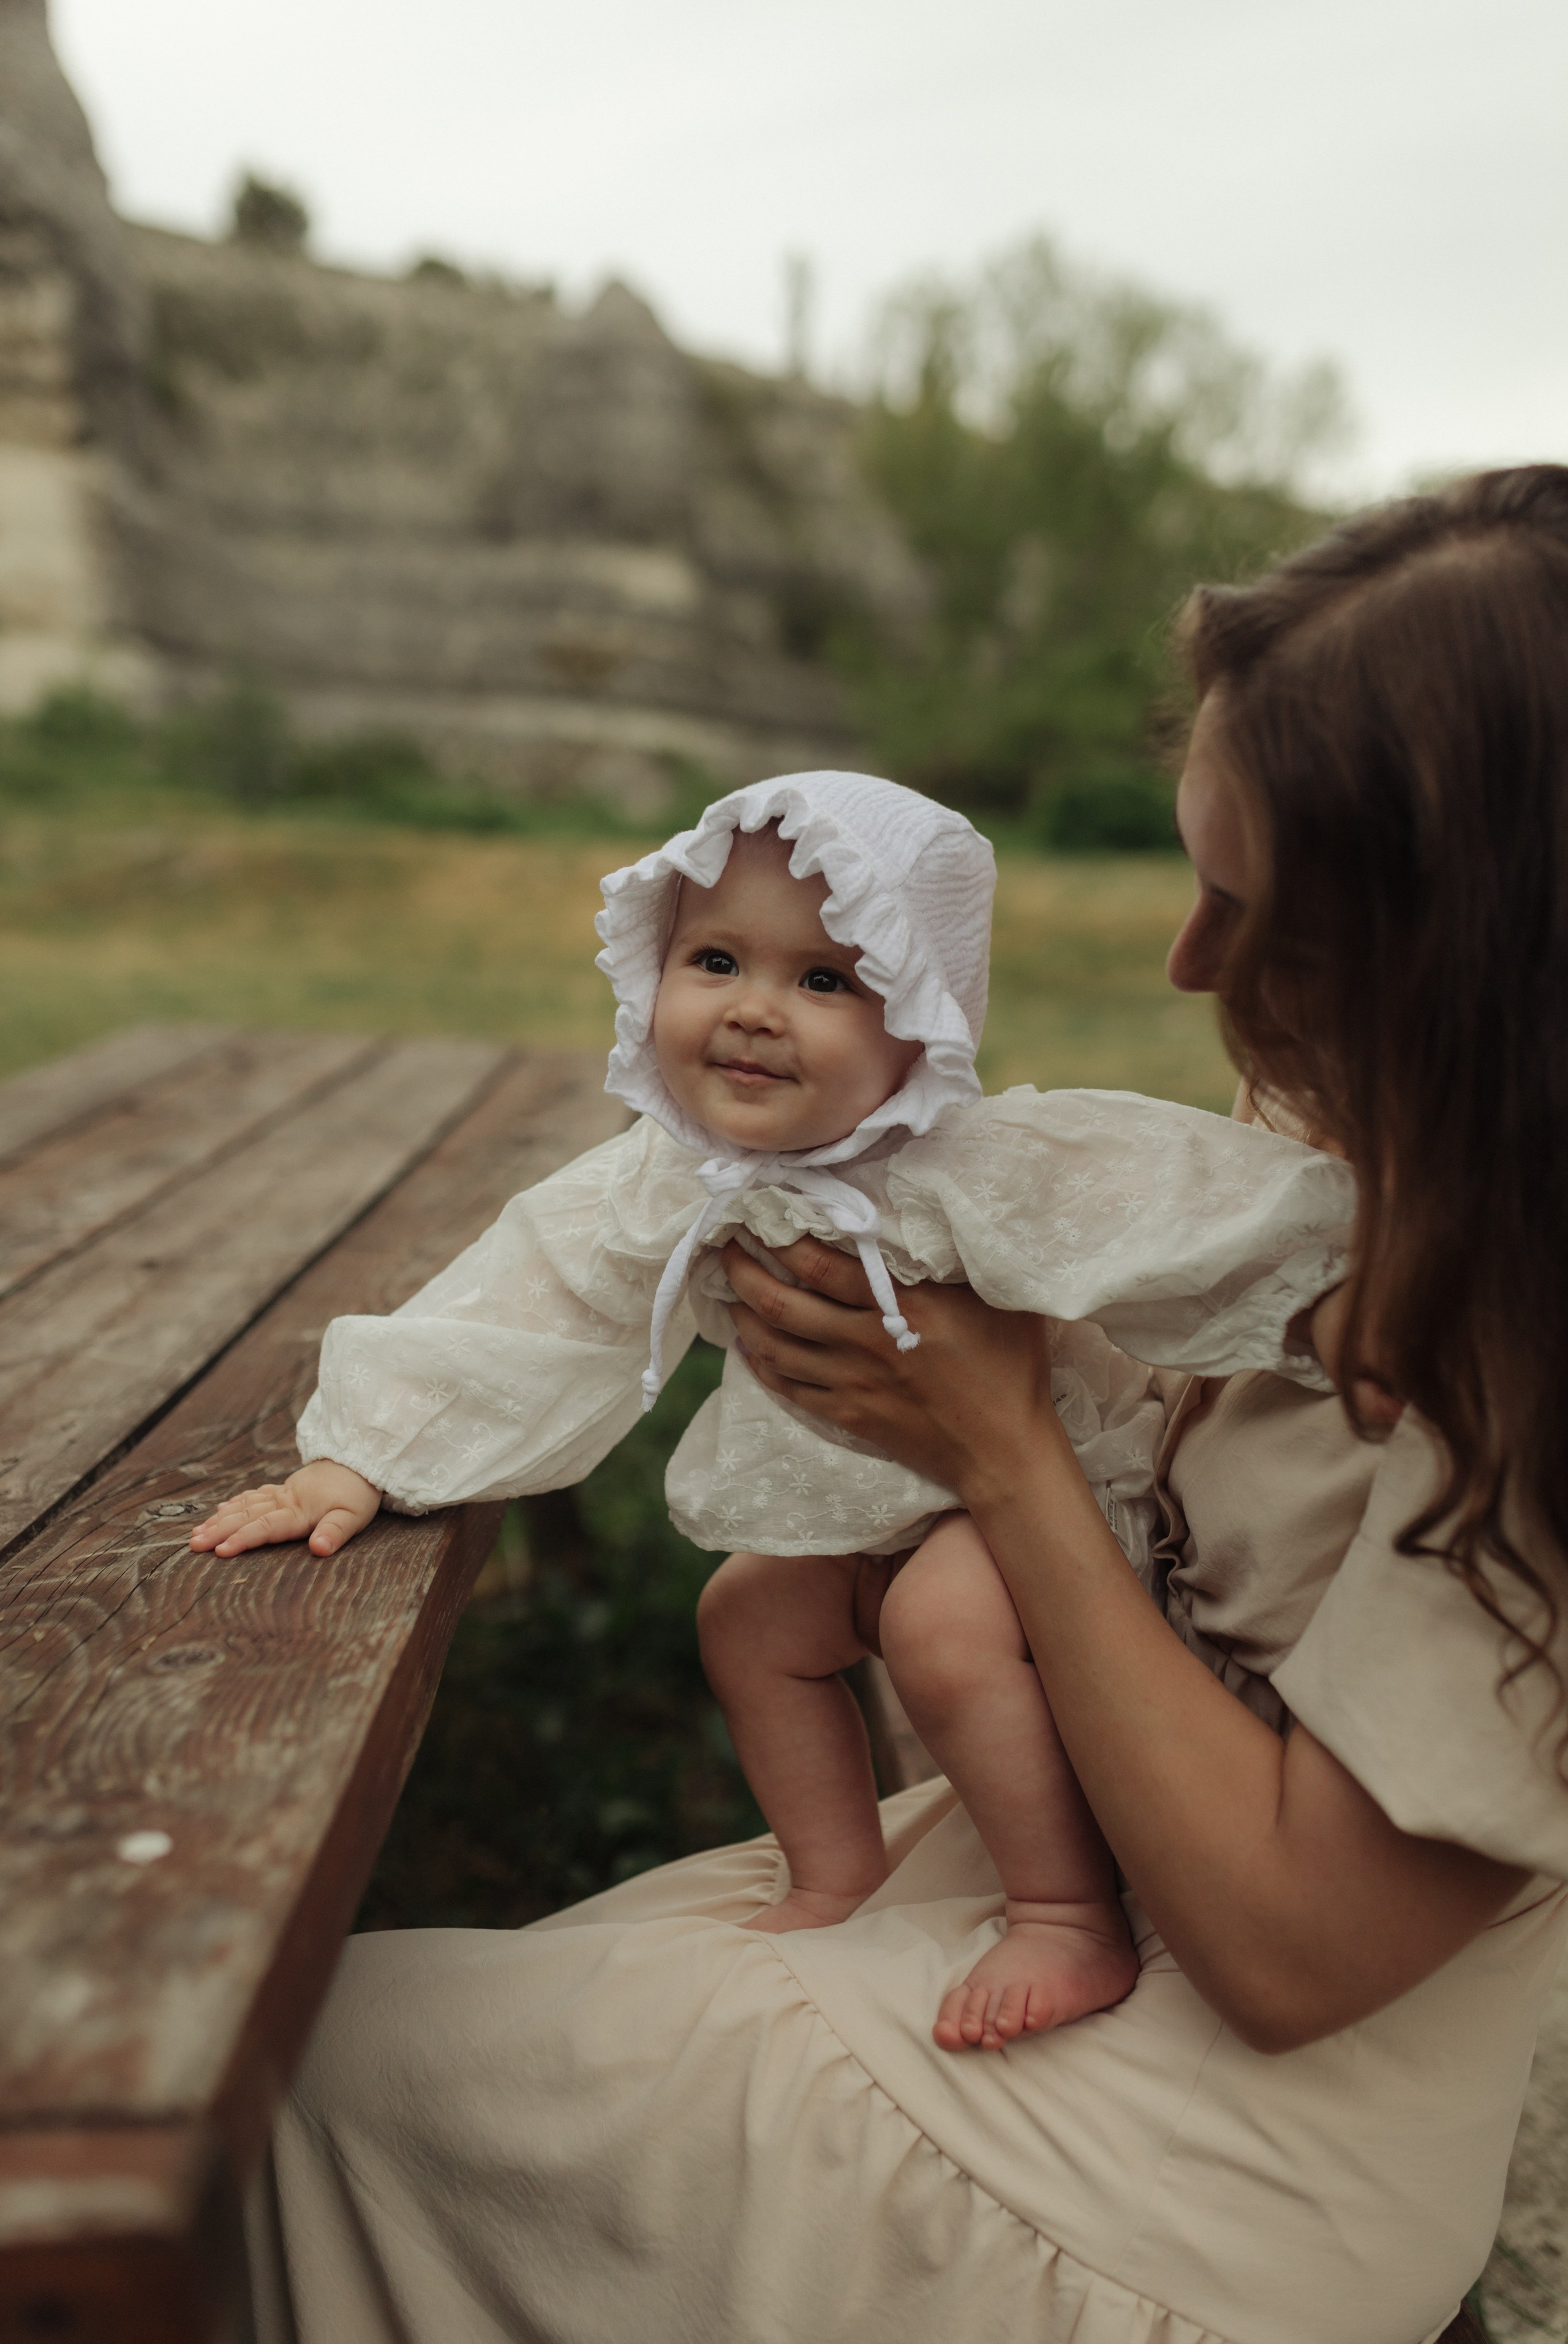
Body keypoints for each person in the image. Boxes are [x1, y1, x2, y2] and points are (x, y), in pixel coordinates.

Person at [246, 469, 1568, 2344]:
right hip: (1026, 1872)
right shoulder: (1364, 1136)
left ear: (1472, 950)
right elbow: (570, 1264)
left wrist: (999, 1449)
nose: (1188, 965)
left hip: (1193, 2165)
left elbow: (1292, 1957)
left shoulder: (1524, 1340)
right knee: (315, 2032)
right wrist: (380, 1444)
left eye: (1251, 907)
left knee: (268, 2105)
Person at [195, 769, 1354, 2048]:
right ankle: (835, 1878)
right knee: (744, 1622)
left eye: (824, 980)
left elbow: (1182, 1206)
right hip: (863, 1514)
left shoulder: (966, 1168)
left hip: (1033, 1505)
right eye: (715, 961)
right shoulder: (675, 1176)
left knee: (938, 1633)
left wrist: (1356, 1285)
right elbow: (533, 1293)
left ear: (920, 1020)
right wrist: (362, 1457)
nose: (753, 1010)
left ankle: (1065, 1915)